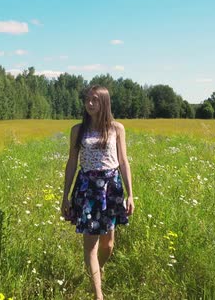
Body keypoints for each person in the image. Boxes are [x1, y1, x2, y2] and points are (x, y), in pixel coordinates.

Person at [61, 85, 135, 300]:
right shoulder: (78, 130)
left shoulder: (117, 129)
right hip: (87, 189)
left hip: (111, 188)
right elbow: (72, 162)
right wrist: (65, 195)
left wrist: (130, 194)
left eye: (95, 100)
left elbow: (123, 161)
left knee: (108, 245)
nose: (90, 104)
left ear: (104, 102)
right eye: (87, 100)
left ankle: (95, 272)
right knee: (91, 246)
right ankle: (98, 295)